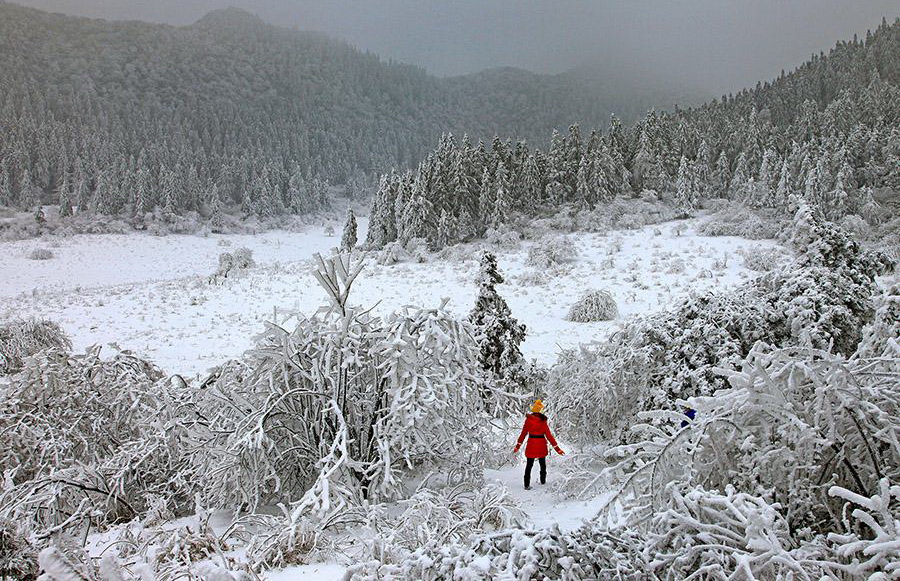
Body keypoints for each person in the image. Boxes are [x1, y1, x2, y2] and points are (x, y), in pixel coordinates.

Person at [513, 400, 564, 490]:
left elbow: (523, 434)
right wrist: (557, 449)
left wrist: (518, 445)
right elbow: (549, 436)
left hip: (531, 444)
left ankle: (526, 484)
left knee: (529, 465)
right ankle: (543, 481)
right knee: (542, 464)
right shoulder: (543, 421)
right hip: (541, 445)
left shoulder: (528, 420)